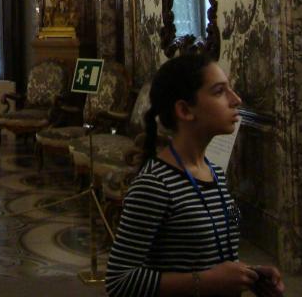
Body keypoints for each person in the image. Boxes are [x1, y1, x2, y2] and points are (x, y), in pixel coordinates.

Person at [105, 53, 285, 297]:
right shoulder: (154, 186)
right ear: (185, 110)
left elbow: (223, 233)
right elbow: (119, 282)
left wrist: (248, 274)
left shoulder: (216, 174)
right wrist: (206, 282)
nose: (236, 99)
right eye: (219, 91)